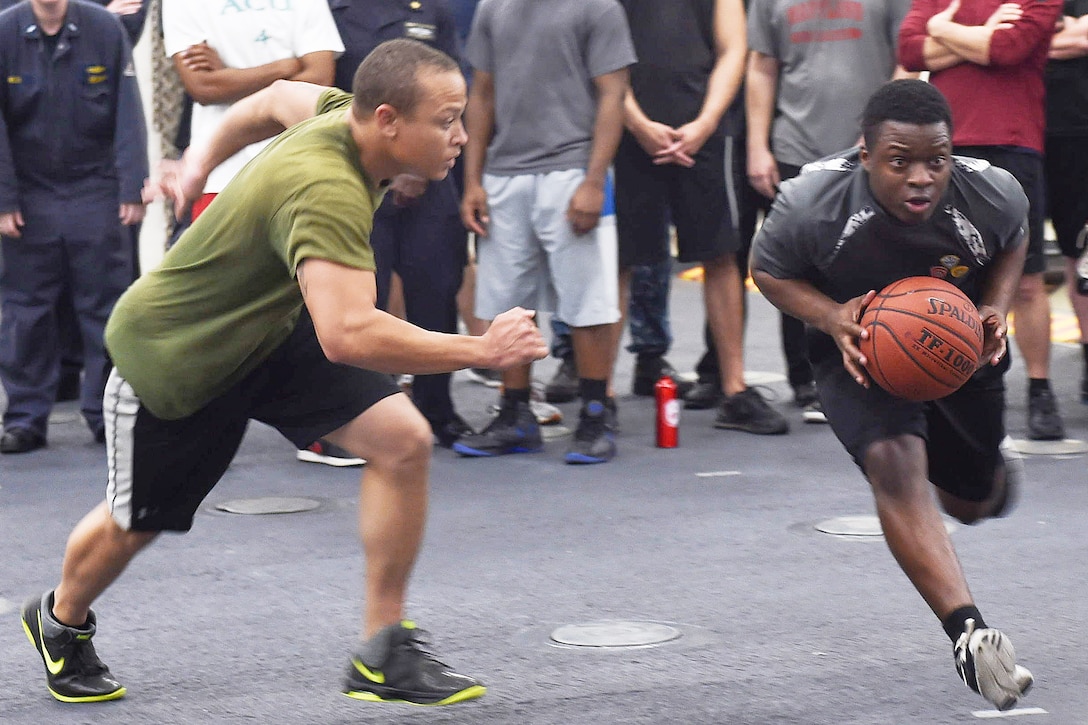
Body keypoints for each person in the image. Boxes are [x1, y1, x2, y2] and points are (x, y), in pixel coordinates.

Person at [20, 39, 548, 705]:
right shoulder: (326, 188)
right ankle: (60, 618)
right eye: (446, 120)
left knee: (402, 440)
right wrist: (482, 350)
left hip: (269, 328)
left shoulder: (338, 114)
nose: (461, 135)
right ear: (387, 120)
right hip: (181, 356)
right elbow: (349, 331)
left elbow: (269, 102)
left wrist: (197, 162)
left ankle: (382, 649)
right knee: (137, 522)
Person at [751, 79, 1034, 711]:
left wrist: (994, 306)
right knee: (894, 464)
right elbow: (768, 269)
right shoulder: (811, 201)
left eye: (936, 160)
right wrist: (828, 317)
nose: (921, 178)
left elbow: (1015, 237)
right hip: (860, 343)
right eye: (900, 161)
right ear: (866, 154)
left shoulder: (990, 190)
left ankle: (986, 468)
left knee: (973, 502)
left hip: (958, 339)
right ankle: (968, 634)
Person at [455, 0, 635, 464]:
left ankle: (597, 412)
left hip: (572, 170)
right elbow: (482, 93)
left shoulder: (598, 8)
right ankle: (515, 414)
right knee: (507, 301)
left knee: (588, 301)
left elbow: (614, 94)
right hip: (504, 173)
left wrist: (594, 181)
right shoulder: (492, 8)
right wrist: (473, 180)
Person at [611, 0, 789, 436]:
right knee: (619, 262)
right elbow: (602, 53)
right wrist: (636, 123)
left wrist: (706, 122)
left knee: (720, 254)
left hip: (707, 136)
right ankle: (601, 396)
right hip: (627, 133)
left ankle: (734, 391)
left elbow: (734, 50)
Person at [898, 0, 1065, 441]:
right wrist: (980, 38)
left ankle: (1039, 388)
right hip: (947, 148)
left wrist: (942, 29)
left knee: (1026, 281)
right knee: (946, 275)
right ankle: (940, 385)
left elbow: (1007, 49)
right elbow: (912, 51)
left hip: (1014, 147)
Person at [0, 0, 148, 454]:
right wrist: (3, 198)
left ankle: (106, 414)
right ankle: (25, 418)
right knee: (25, 310)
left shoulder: (103, 27)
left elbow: (128, 110)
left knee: (105, 306)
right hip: (29, 194)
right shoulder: (5, 31)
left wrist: (130, 188)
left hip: (96, 190)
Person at [326, 0, 474, 451]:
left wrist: (429, 163)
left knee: (437, 288)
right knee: (359, 300)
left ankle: (437, 408)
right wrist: (389, 165)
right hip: (361, 176)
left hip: (431, 179)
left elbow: (453, 98)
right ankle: (353, 417)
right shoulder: (332, 10)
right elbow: (330, 98)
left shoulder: (432, 9)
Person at [1044, 1, 1088, 404]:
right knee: (1017, 262)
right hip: (1021, 135)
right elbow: (1003, 44)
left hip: (1079, 133)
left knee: (1084, 257)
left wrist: (1029, 38)